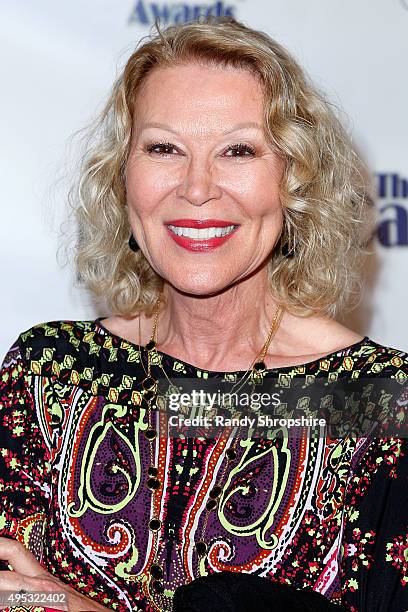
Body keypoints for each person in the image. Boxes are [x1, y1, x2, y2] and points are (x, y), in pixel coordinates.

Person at [0, 15, 406, 612]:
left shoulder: (381, 406)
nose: (196, 187)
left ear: (293, 180)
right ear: (123, 177)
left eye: (237, 151)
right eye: (164, 148)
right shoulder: (50, 374)